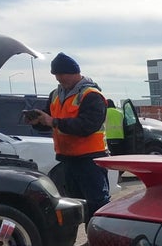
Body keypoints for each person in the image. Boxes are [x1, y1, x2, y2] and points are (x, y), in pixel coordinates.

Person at [25, 52, 110, 224]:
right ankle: (87, 237)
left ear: (74, 73)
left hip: (91, 157)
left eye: (61, 75)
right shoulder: (56, 94)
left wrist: (53, 121)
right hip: (68, 158)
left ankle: (100, 237)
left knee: (97, 201)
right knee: (76, 201)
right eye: (56, 76)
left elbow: (87, 126)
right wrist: (38, 121)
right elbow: (49, 120)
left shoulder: (91, 95)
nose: (58, 79)